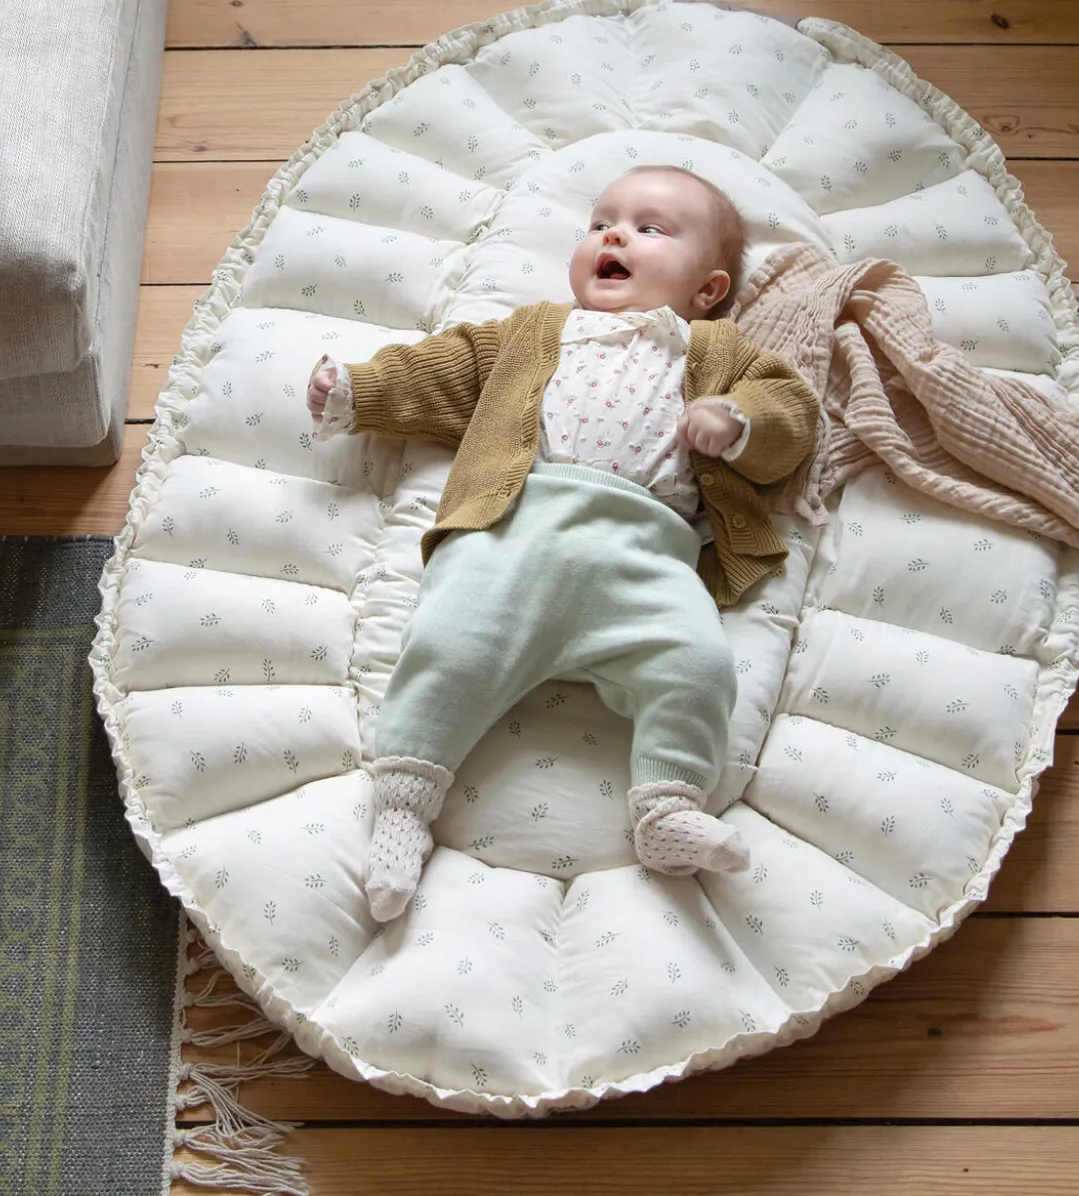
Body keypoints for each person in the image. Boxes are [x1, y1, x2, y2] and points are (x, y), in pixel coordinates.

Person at [307, 165, 819, 920]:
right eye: (600, 223)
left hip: (647, 555)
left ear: (708, 289)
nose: (614, 236)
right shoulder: (536, 332)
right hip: (513, 533)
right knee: (445, 645)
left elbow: (791, 412)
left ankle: (667, 806)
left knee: (700, 667)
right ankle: (404, 804)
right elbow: (446, 370)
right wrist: (360, 389)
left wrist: (737, 421)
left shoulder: (719, 353)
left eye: (649, 228)